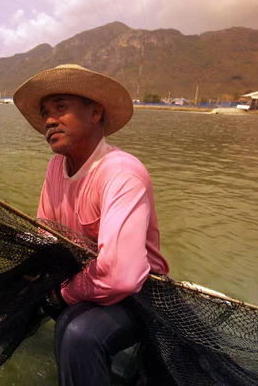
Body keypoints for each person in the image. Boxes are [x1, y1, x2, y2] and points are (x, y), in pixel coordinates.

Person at [13, 64, 169, 385]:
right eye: (45, 112)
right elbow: (47, 232)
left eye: (61, 107)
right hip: (84, 278)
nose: (49, 120)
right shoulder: (56, 167)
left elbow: (120, 277)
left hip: (140, 295)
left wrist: (61, 294)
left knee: (79, 333)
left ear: (95, 113)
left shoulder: (121, 173)